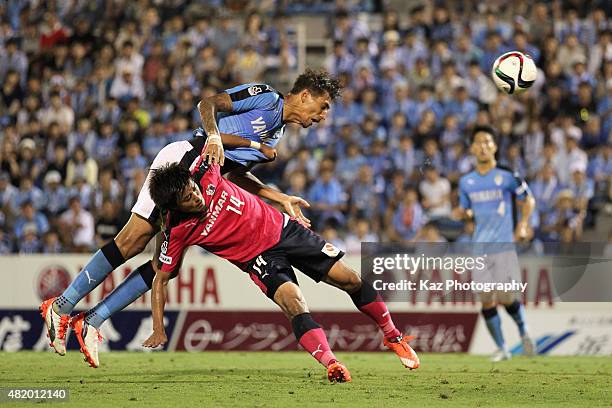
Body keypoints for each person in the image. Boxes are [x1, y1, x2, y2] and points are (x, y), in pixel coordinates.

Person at [39, 69, 342, 358]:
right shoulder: (266, 97)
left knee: (165, 265)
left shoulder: (275, 136)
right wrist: (213, 135)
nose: (323, 116)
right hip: (185, 162)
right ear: (304, 95)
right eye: (323, 106)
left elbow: (233, 173)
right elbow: (208, 103)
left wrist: (278, 197)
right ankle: (61, 306)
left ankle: (92, 321)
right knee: (132, 241)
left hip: (204, 183)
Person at [98, 161, 416, 382]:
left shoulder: (206, 171)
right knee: (295, 304)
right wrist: (158, 327)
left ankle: (392, 336)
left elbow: (216, 120)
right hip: (260, 259)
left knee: (351, 280)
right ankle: (332, 363)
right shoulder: (177, 230)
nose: (195, 196)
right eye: (187, 199)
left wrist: (216, 137)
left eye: (193, 190)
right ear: (175, 206)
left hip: (285, 230)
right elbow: (160, 278)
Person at [455, 126, 537, 362]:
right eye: (478, 142)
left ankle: (524, 331)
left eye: (487, 141)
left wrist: (523, 224)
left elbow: (527, 199)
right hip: (479, 247)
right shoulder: (466, 182)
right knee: (485, 299)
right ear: (472, 148)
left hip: (503, 245)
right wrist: (463, 213)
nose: (483, 146)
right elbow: (466, 210)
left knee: (506, 296)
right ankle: (502, 348)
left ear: (494, 146)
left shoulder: (507, 175)